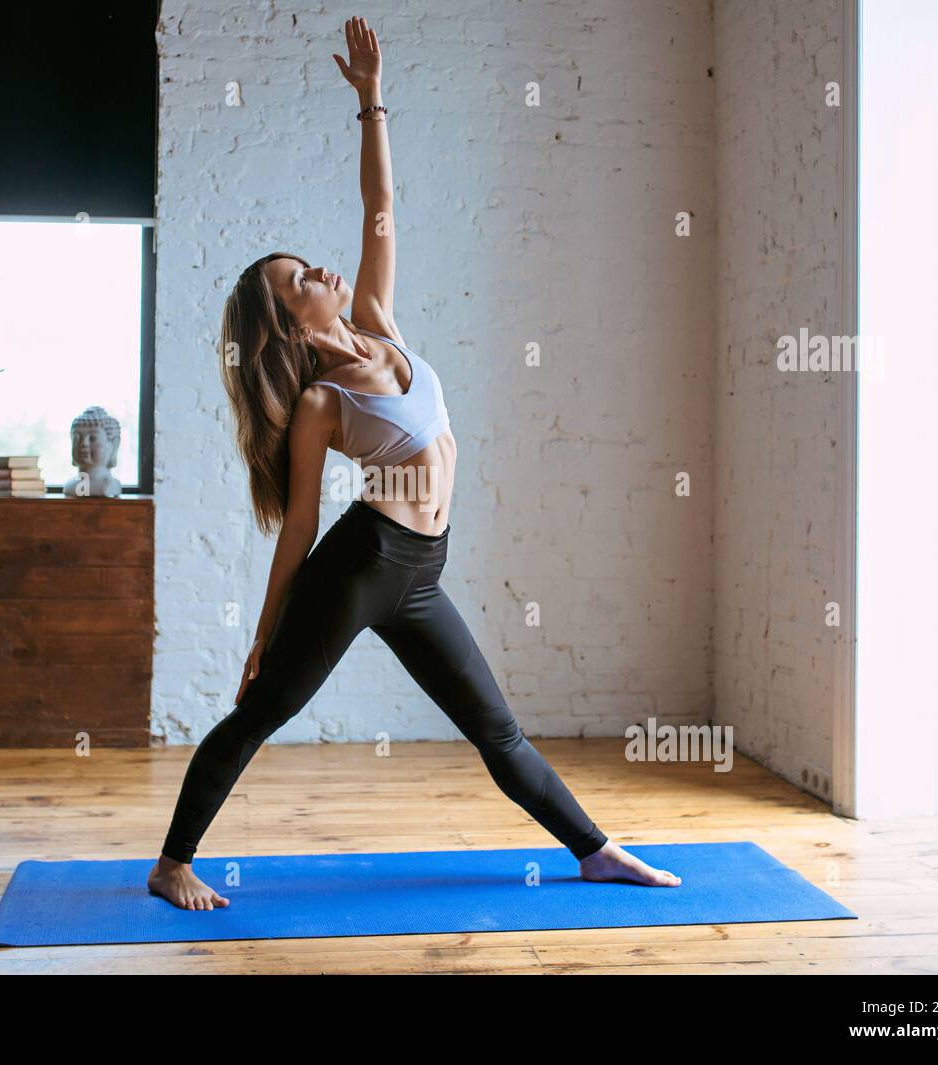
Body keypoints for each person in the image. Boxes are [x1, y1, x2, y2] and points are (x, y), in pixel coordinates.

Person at [149, 16, 681, 910]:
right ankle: (173, 863)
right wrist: (262, 631)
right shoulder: (324, 404)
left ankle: (593, 848)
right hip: (364, 567)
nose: (320, 269)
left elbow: (378, 202)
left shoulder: (378, 321)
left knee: (495, 726)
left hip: (423, 572)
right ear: (290, 320)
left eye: (310, 265)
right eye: (300, 278)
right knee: (262, 712)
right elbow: (305, 525)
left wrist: (370, 101)